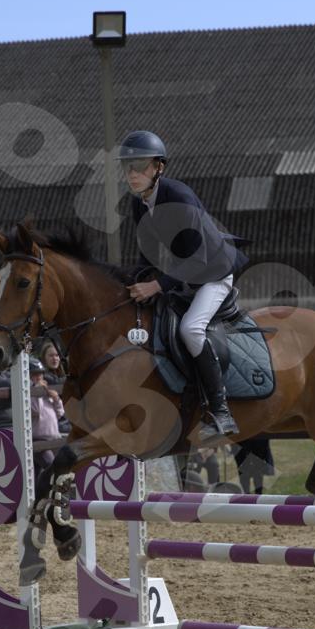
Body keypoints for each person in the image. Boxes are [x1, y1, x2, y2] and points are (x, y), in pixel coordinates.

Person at [120, 129, 249, 442]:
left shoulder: (179, 197)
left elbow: (198, 259)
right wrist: (131, 282)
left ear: (159, 167)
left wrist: (157, 286)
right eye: (128, 167)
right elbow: (148, 254)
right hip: (187, 275)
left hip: (214, 272)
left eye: (140, 166)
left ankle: (221, 412)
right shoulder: (140, 204)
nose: (133, 174)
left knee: (191, 328)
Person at [28, 359, 66, 474]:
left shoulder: (46, 393)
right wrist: (37, 390)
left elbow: (60, 414)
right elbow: (35, 410)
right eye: (35, 374)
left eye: (40, 374)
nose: (39, 377)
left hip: (54, 439)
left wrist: (56, 399)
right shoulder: (29, 393)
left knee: (39, 473)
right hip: (39, 441)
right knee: (52, 467)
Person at [38, 342, 71, 433]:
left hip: (65, 419)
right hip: (54, 422)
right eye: (51, 355)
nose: (55, 358)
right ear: (44, 358)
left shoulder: (61, 374)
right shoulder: (42, 375)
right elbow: (56, 382)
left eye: (57, 355)